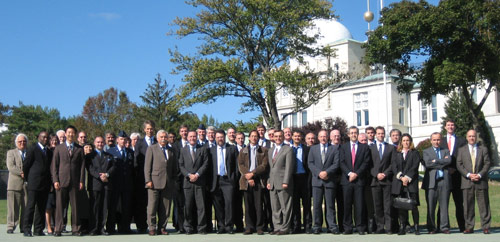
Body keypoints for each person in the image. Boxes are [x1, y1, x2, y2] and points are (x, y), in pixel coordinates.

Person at [51, 125, 86, 236]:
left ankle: (76, 229)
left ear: (75, 134)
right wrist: (55, 180)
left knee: (75, 207)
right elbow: (54, 166)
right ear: (65, 134)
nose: (70, 134)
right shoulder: (58, 148)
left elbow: (82, 166)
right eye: (68, 132)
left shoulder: (79, 149)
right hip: (61, 181)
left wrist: (81, 181)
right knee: (60, 206)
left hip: (75, 182)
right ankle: (58, 228)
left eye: (72, 133)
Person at [456, 129, 491, 234]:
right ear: (467, 137)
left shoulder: (483, 149)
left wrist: (479, 175)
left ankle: (485, 226)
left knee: (484, 204)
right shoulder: (461, 150)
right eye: (470, 136)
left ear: (476, 137)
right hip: (467, 181)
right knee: (468, 205)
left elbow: (487, 163)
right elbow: (459, 164)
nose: (472, 138)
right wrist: (469, 175)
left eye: (473, 136)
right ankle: (469, 227)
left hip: (481, 181)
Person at [144, 130, 177, 236]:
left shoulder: (171, 150)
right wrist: (148, 180)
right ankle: (152, 228)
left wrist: (173, 180)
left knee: (165, 208)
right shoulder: (152, 149)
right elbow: (147, 166)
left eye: (165, 137)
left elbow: (173, 167)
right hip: (154, 182)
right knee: (152, 206)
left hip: (168, 183)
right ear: (157, 138)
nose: (163, 138)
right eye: (161, 137)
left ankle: (162, 227)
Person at [308, 130, 339, 234]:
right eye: (321, 136)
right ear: (318, 138)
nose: (323, 138)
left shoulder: (334, 149)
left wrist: (327, 173)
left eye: (325, 136)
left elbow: (336, 163)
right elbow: (310, 163)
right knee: (316, 205)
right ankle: (317, 226)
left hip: (329, 180)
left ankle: (332, 226)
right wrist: (319, 173)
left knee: (330, 205)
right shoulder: (313, 149)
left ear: (328, 137)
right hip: (317, 181)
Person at [340, 126, 370, 235]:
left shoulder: (364, 148)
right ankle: (347, 227)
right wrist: (349, 173)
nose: (353, 134)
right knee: (347, 205)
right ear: (348, 135)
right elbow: (341, 162)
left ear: (358, 134)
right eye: (351, 133)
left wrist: (356, 174)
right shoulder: (343, 147)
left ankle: (360, 227)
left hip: (359, 180)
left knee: (359, 205)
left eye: (355, 133)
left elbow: (366, 163)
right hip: (347, 181)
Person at [238, 130, 268, 235]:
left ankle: (259, 227)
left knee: (259, 205)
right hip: (246, 181)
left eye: (256, 136)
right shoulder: (243, 151)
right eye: (252, 136)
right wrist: (248, 176)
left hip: (259, 180)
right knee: (248, 205)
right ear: (249, 138)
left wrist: (253, 174)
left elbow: (264, 166)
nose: (254, 138)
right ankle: (249, 227)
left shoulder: (263, 150)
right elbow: (240, 165)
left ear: (258, 138)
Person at [178, 130, 209, 234]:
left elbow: (205, 164)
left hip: (199, 182)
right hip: (187, 183)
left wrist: (197, 175)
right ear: (187, 138)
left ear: (197, 137)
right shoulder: (183, 150)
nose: (192, 138)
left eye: (194, 136)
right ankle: (188, 228)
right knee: (188, 206)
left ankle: (201, 228)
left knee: (201, 207)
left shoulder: (203, 149)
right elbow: (181, 165)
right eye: (190, 136)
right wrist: (188, 175)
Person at [209, 130, 238, 234]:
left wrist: (233, 179)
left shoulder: (232, 149)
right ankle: (221, 226)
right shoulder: (211, 150)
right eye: (218, 137)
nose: (220, 139)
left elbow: (236, 166)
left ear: (224, 137)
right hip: (216, 180)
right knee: (218, 205)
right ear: (215, 138)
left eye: (221, 137)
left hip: (228, 180)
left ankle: (229, 226)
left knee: (229, 204)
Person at [22, 131, 51, 237]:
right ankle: (27, 229)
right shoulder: (33, 149)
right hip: (34, 183)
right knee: (30, 206)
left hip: (45, 184)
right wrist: (27, 179)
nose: (45, 139)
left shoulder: (48, 151)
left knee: (41, 207)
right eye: (43, 137)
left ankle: (38, 229)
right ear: (38, 137)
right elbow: (26, 165)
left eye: (47, 138)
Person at [440, 119, 466, 232]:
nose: (450, 127)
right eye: (448, 125)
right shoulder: (441, 141)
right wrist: (446, 168)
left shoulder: (461, 140)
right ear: (445, 127)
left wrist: (455, 169)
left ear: (454, 127)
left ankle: (462, 226)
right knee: (443, 203)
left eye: (452, 125)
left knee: (459, 203)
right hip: (444, 176)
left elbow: (464, 157)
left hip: (457, 176)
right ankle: (440, 226)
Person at [422, 132, 451, 234]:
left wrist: (435, 161)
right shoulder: (426, 151)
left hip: (443, 181)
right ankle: (431, 228)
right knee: (431, 206)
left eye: (438, 139)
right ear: (431, 141)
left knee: (444, 206)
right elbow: (428, 164)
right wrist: (442, 162)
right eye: (434, 140)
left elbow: (449, 161)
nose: (436, 142)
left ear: (441, 140)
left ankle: (444, 227)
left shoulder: (446, 151)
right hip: (431, 182)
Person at [106, 131, 134, 234]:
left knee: (126, 207)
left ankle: (125, 227)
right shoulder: (111, 151)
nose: (123, 141)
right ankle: (110, 228)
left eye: (125, 139)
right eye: (121, 139)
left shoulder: (130, 152)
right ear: (117, 140)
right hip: (115, 183)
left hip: (127, 184)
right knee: (113, 207)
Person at [391, 133, 421, 235]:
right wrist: (401, 177)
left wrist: (407, 178)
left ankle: (416, 227)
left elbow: (415, 166)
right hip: (400, 184)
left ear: (410, 141)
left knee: (414, 206)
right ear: (401, 142)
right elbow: (394, 167)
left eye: (407, 140)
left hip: (411, 183)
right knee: (401, 206)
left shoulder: (415, 153)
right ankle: (402, 227)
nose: (405, 142)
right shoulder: (397, 153)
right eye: (403, 140)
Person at [267, 130, 294, 235]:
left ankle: (285, 228)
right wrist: (269, 181)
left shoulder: (288, 149)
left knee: (285, 207)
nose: (278, 138)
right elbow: (271, 168)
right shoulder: (271, 150)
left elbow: (289, 167)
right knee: (275, 207)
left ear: (283, 137)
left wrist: (286, 181)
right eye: (276, 136)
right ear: (273, 137)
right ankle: (277, 227)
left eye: (280, 136)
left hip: (283, 182)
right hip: (273, 183)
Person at [86, 136, 115, 236]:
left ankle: (102, 228)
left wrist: (107, 175)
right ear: (94, 143)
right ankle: (93, 228)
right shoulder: (90, 156)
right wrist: (100, 176)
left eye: (102, 142)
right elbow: (90, 169)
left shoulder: (109, 156)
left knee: (104, 208)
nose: (100, 144)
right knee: (94, 207)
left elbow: (113, 167)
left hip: (106, 185)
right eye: (98, 142)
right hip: (95, 185)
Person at [369, 126, 395, 234]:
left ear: (385, 134)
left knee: (387, 206)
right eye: (378, 133)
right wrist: (376, 174)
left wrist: (385, 174)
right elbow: (369, 165)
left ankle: (388, 227)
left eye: (382, 133)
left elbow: (392, 164)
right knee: (378, 206)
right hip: (375, 181)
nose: (380, 135)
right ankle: (380, 227)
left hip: (387, 181)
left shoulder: (390, 148)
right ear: (375, 135)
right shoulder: (371, 148)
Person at [133, 120, 157, 234]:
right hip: (142, 178)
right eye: (147, 128)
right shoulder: (139, 143)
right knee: (142, 203)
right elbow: (136, 161)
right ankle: (141, 226)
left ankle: (154, 225)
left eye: (151, 128)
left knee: (154, 203)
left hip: (156, 177)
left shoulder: (157, 141)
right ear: (144, 130)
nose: (149, 130)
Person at [6, 133, 28, 235]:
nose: (22, 143)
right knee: (13, 208)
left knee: (26, 206)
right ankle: (11, 226)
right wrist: (21, 173)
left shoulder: (29, 153)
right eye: (20, 141)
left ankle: (23, 227)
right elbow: (11, 166)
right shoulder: (11, 153)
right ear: (16, 143)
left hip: (26, 185)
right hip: (14, 185)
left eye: (24, 141)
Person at [290, 130, 311, 234]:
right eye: (295, 136)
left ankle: (307, 225)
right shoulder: (289, 149)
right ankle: (296, 226)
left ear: (301, 137)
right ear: (292, 137)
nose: (297, 138)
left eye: (299, 136)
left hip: (304, 178)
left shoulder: (306, 149)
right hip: (293, 178)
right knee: (295, 204)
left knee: (306, 203)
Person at [172, 124, 189, 233]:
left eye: (186, 131)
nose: (184, 133)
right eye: (182, 131)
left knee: (189, 203)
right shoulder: (175, 146)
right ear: (179, 133)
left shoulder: (193, 144)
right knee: (179, 204)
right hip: (178, 179)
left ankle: (189, 225)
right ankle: (180, 226)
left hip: (190, 179)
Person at [329, 129, 344, 232]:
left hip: (342, 180)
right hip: (329, 180)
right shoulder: (327, 148)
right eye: (334, 136)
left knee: (342, 203)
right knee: (329, 204)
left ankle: (343, 225)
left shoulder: (344, 148)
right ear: (330, 137)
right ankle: (331, 226)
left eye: (338, 135)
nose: (336, 137)